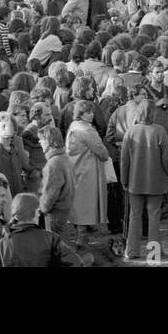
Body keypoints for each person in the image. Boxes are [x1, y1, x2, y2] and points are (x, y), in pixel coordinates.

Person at [120, 98, 168, 260]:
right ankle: (153, 254)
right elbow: (167, 159)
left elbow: (124, 160)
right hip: (156, 181)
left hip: (135, 181)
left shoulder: (131, 132)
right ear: (153, 113)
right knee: (154, 217)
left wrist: (124, 179)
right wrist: (166, 175)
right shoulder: (160, 131)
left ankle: (132, 251)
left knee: (134, 216)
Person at [0, 193, 85, 267]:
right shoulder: (51, 239)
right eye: (38, 211)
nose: (39, 214)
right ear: (34, 213)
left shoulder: (1, 245)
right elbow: (77, 263)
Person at [66, 99, 109, 245]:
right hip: (88, 170)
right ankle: (81, 238)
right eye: (87, 112)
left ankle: (80, 235)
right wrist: (105, 153)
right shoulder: (87, 130)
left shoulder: (73, 126)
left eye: (91, 112)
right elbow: (101, 151)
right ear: (80, 113)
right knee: (86, 204)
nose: (91, 115)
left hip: (75, 167)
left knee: (79, 203)